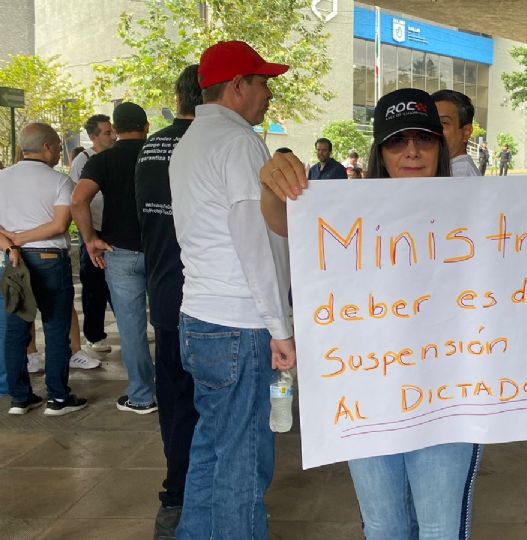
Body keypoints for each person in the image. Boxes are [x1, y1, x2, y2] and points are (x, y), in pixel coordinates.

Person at [259, 88, 482, 539]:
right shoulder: (346, 210)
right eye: (398, 141)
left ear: (442, 145)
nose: (413, 150)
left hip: (450, 401)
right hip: (367, 395)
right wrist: (271, 180)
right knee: (383, 527)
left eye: (425, 137)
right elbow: (283, 220)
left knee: (440, 529)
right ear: (380, 151)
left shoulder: (478, 209)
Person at [168, 40, 295, 539]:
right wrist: (280, 328)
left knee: (211, 449)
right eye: (262, 82)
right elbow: (255, 240)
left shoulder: (191, 142)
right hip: (241, 323)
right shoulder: (241, 143)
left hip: (198, 318)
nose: (267, 94)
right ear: (239, 86)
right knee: (243, 462)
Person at [134, 64, 202, 539]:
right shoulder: (212, 145)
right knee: (213, 406)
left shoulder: (149, 148)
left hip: (162, 288)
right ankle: (196, 502)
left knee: (174, 398)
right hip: (203, 295)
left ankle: (174, 497)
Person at [73, 102, 158, 414]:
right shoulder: (159, 155)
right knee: (168, 323)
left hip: (119, 253)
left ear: (116, 129)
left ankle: (142, 395)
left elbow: (78, 199)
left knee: (132, 328)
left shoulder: (103, 159)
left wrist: (90, 239)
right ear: (146, 126)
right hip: (162, 250)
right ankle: (177, 390)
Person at [0, 123, 88, 416]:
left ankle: (20, 398)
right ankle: (58, 398)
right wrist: (24, 238)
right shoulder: (59, 181)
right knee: (55, 327)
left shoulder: (2, 178)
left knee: (15, 331)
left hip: (13, 261)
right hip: (49, 259)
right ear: (48, 147)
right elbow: (60, 225)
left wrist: (13, 245)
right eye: (57, 146)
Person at [69, 114, 116, 357]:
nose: (113, 136)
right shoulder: (83, 160)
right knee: (94, 286)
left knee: (119, 283)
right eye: (107, 133)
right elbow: (75, 197)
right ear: (93, 137)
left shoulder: (117, 155)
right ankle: (94, 335)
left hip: (115, 228)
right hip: (93, 229)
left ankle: (130, 329)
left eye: (112, 131)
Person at [432, 89, 480, 177]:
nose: (432, 130)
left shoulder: (458, 176)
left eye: (443, 123)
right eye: (430, 123)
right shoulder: (446, 170)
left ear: (466, 133)